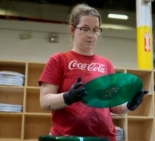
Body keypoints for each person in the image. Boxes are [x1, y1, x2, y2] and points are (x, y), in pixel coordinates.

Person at [38, 3, 148, 141]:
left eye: (95, 30)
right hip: (67, 138)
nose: (91, 35)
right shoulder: (58, 60)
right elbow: (44, 101)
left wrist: (129, 105)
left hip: (104, 137)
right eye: (85, 29)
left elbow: (113, 106)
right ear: (72, 30)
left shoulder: (106, 64)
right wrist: (68, 97)